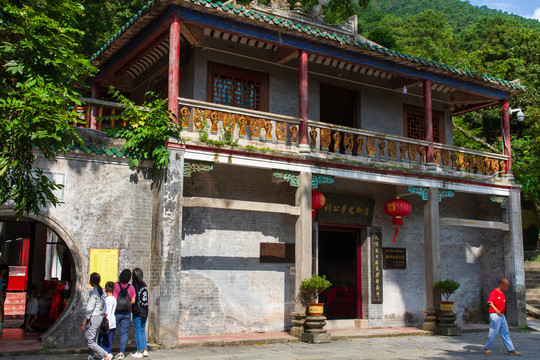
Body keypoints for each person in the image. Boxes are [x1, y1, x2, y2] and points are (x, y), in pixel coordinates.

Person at [483, 278, 522, 356]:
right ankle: (487, 347)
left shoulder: (502, 293)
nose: (506, 288)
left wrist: (500, 312)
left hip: (501, 314)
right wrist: (497, 310)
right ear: (502, 284)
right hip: (495, 314)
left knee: (505, 332)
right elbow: (490, 303)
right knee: (494, 332)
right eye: (506, 286)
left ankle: (511, 350)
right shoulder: (494, 292)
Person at [81, 273, 112, 360]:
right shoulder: (101, 291)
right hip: (100, 317)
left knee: (90, 341)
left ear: (91, 281)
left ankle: (105, 355)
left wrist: (85, 319)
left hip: (93, 317)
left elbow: (90, 308)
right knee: (93, 339)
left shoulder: (94, 293)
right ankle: (90, 357)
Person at [114, 269, 136, 359]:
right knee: (124, 333)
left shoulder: (115, 285)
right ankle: (121, 353)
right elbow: (133, 301)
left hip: (116, 312)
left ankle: (107, 351)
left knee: (111, 331)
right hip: (126, 312)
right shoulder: (131, 287)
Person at [131, 268, 149, 358]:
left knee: (138, 331)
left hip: (138, 311)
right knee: (142, 330)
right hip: (145, 309)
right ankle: (145, 349)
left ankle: (139, 351)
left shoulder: (134, 285)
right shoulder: (144, 284)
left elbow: (134, 298)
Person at [98, 282, 117, 354]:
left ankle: (104, 353)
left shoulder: (106, 300)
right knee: (109, 340)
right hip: (113, 321)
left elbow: (105, 312)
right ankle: (108, 353)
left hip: (106, 322)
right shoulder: (114, 299)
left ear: (105, 289)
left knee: (100, 339)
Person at [0, 264, 9, 333]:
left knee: (1, 309)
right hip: (2, 295)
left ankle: (1, 323)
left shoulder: (4, 278)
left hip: (2, 295)